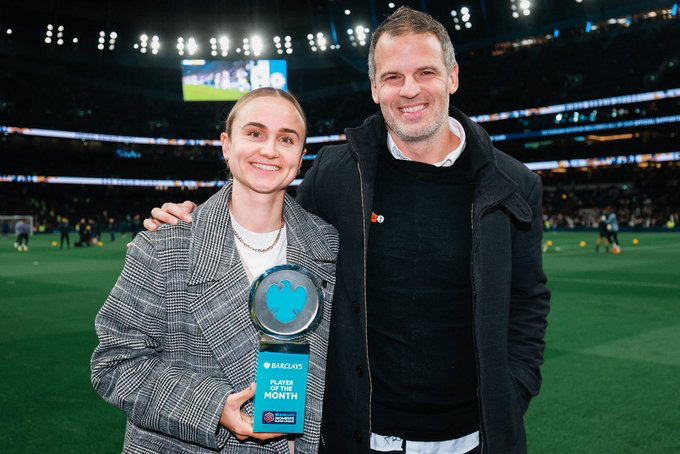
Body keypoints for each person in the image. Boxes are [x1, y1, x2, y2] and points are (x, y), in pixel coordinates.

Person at [146, 7, 550, 454]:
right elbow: (275, 241)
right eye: (393, 77)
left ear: (452, 77)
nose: (410, 89)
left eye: (426, 72)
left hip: (476, 440)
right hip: (357, 437)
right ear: (375, 87)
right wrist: (196, 221)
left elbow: (528, 300)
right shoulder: (337, 172)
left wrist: (512, 390)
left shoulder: (514, 184)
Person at [91, 87, 339, 453]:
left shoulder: (328, 246)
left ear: (301, 156)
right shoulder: (165, 244)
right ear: (226, 144)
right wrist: (215, 407)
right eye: (254, 133)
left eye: (286, 139)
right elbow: (114, 364)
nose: (269, 150)